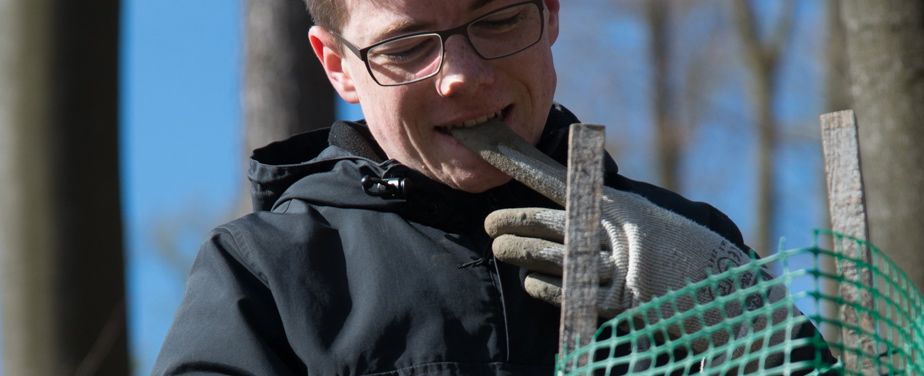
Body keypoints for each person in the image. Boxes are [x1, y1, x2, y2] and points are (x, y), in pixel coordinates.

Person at [153, 0, 834, 374]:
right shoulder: (266, 272)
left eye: (500, 20)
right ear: (338, 68)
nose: (461, 75)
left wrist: (753, 325)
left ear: (552, 12)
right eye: (408, 46)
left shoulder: (690, 238)